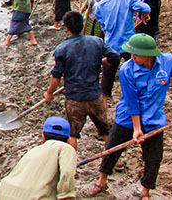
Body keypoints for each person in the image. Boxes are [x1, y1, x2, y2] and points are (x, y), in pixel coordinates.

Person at [84, 34, 172, 199]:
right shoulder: (127, 69)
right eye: (131, 53)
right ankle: (102, 181)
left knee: (154, 157)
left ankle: (145, 192)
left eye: (136, 53)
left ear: (150, 54)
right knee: (112, 149)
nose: (132, 57)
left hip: (154, 119)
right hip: (127, 117)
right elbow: (132, 101)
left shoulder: (168, 62)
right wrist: (136, 128)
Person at [45, 10, 120, 149]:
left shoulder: (62, 49)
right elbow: (115, 57)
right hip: (94, 96)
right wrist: (100, 62)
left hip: (74, 98)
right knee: (105, 130)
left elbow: (56, 76)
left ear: (66, 28)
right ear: (83, 24)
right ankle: (116, 161)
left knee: (72, 134)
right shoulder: (96, 42)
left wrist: (49, 93)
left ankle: (72, 167)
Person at [95, 0, 151, 106]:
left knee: (107, 74)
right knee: (135, 69)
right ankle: (141, 94)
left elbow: (102, 25)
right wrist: (143, 14)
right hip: (128, 43)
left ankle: (105, 101)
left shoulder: (101, 5)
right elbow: (145, 7)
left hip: (111, 44)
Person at [0, 117, 76, 200]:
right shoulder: (66, 148)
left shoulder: (33, 151)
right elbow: (67, 172)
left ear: (43, 137)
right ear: (69, 140)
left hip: (3, 193)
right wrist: (66, 196)